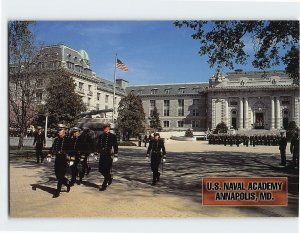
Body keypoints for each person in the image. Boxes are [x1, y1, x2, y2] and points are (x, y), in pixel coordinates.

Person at [48, 124, 71, 198]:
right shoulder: (56, 139)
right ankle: (67, 183)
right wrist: (49, 155)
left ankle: (57, 191)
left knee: (60, 176)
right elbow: (52, 148)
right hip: (57, 158)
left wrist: (72, 159)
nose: (59, 131)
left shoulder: (68, 139)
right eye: (58, 130)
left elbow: (71, 150)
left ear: (64, 130)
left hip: (64, 159)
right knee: (57, 175)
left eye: (60, 130)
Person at [97, 124, 118, 191]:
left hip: (109, 155)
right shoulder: (101, 136)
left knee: (107, 169)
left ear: (109, 128)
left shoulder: (112, 136)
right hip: (102, 154)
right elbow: (98, 145)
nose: (105, 129)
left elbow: (115, 146)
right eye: (104, 128)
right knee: (100, 169)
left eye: (106, 128)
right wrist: (96, 153)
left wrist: (115, 155)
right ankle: (109, 177)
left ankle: (104, 185)